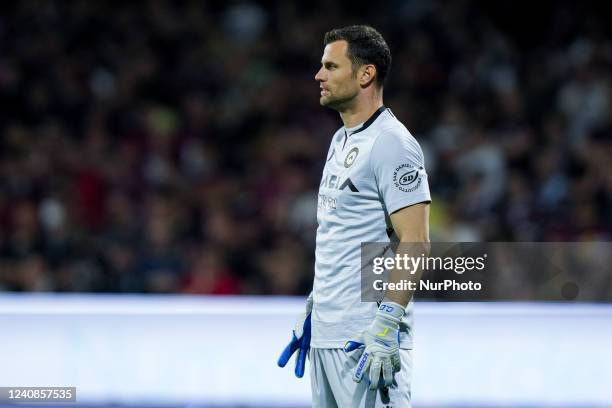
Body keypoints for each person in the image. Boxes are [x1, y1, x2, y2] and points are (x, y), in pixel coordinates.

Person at [278, 25, 431, 407]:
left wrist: (387, 324)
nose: (319, 75)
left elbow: (415, 241)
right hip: (328, 336)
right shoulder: (340, 139)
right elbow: (340, 232)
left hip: (366, 342)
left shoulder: (391, 144)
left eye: (331, 66)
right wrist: (317, 304)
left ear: (366, 74)